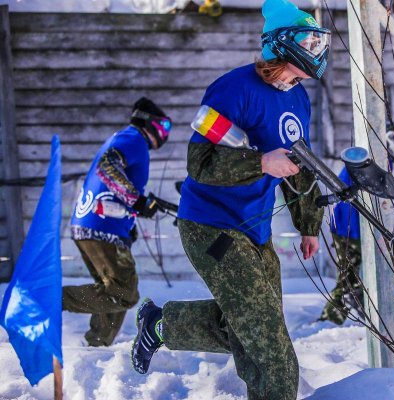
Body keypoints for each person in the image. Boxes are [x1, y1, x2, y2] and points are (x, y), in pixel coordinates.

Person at [130, 1, 329, 399]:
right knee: (271, 349)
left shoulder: (299, 99)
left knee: (253, 330)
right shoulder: (233, 89)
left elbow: (299, 164)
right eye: (308, 42)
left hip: (256, 230)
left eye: (318, 43)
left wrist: (308, 224)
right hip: (210, 227)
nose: (317, 51)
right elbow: (200, 163)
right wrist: (261, 162)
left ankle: (159, 325)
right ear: (282, 45)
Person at [62, 97, 172, 347]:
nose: (165, 134)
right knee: (123, 293)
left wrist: (133, 215)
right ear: (150, 122)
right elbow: (107, 167)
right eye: (164, 127)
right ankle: (51, 299)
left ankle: (97, 345)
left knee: (112, 290)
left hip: (95, 224)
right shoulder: (134, 138)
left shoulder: (125, 138)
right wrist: (136, 200)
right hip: (101, 226)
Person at [318, 123, 394, 325]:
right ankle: (347, 306)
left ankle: (331, 319)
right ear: (390, 139)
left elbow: (375, 189)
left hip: (355, 225)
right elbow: (369, 188)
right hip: (352, 226)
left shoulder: (379, 159)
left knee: (349, 279)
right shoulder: (374, 159)